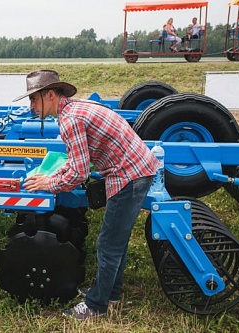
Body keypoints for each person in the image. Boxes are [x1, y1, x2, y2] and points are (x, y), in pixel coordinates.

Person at [18, 70, 159, 320]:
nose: (31, 106)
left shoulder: (70, 120)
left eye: (33, 99)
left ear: (50, 95)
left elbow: (79, 173)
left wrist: (48, 184)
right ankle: (109, 293)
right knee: (116, 239)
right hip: (135, 169)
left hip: (130, 175)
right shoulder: (75, 109)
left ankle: (96, 305)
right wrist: (52, 176)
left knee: (108, 243)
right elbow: (75, 161)